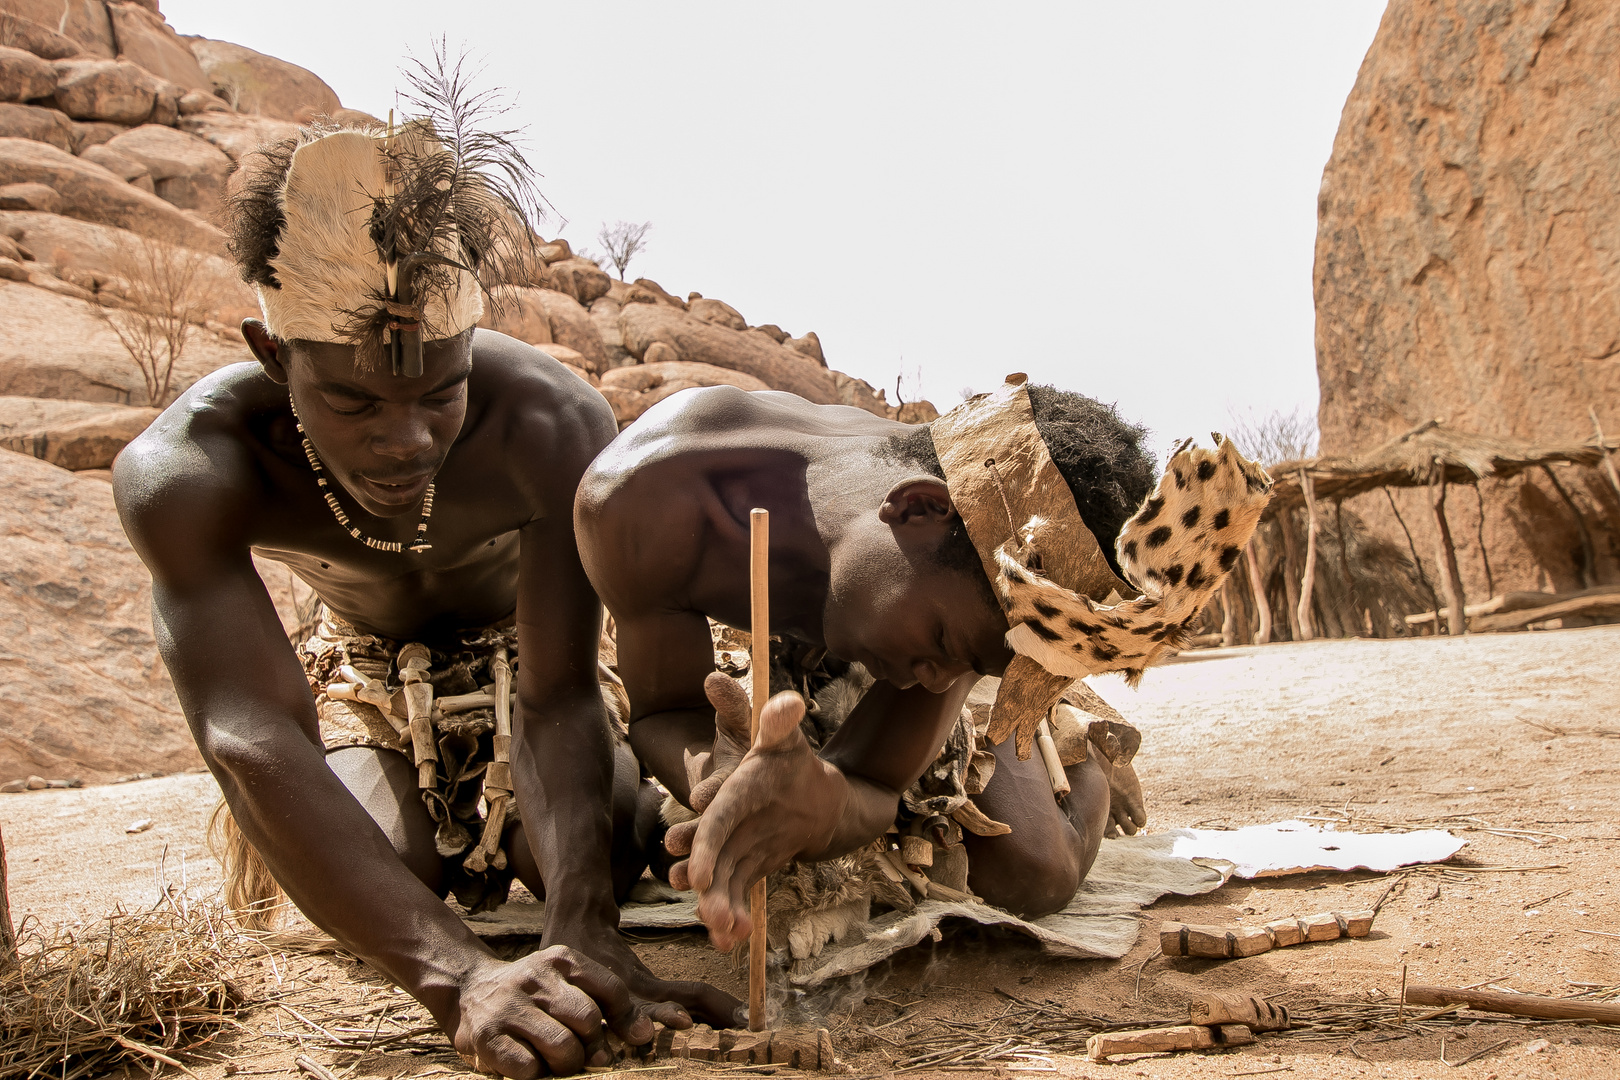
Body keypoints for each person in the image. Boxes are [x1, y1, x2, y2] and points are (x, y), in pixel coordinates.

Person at [113, 106, 738, 1078]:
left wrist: (582, 926)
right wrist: (459, 977)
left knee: (591, 860)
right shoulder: (192, 472)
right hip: (367, 677)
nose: (404, 441)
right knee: (390, 877)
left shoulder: (546, 421)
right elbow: (251, 734)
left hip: (524, 663)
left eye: (439, 392)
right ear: (273, 356)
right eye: (355, 401)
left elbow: (558, 689)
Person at [575, 375, 1271, 950]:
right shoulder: (642, 501)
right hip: (769, 644)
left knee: (1035, 871)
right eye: (946, 647)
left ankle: (1081, 751)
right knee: (623, 840)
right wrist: (720, 776)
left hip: (871, 620)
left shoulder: (971, 596)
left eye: (971, 667)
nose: (930, 681)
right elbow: (667, 708)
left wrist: (821, 803)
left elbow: (872, 781)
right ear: (915, 507)